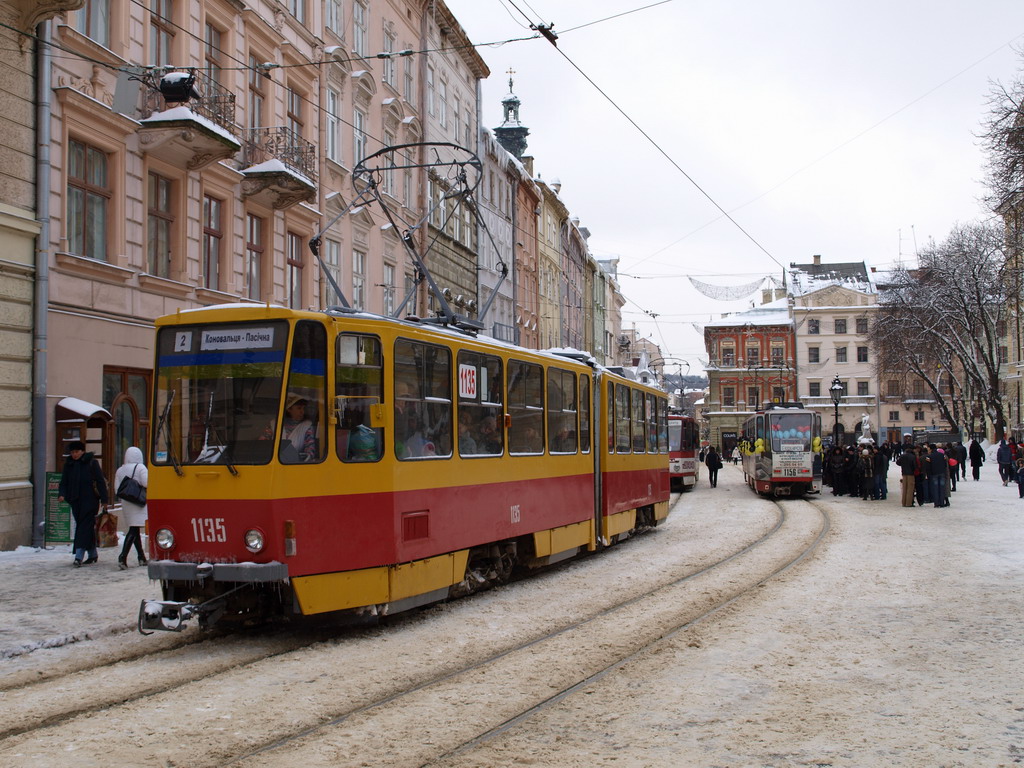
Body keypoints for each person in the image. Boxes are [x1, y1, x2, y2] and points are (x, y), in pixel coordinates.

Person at [58, 440, 108, 567]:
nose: (74, 454)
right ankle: (92, 554)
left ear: (82, 451)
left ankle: (78, 556)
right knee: (85, 527)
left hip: (90, 500)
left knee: (82, 527)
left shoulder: (91, 463)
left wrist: (105, 500)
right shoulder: (69, 464)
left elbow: (100, 482)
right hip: (75, 500)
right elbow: (64, 482)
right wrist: (62, 494)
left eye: (77, 452)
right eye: (72, 452)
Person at [114, 446, 148, 569]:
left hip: (126, 502)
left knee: (135, 530)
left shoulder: (119, 470)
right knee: (134, 530)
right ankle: (122, 557)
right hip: (138, 502)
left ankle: (141, 557)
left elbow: (117, 489)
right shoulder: (141, 468)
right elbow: (146, 483)